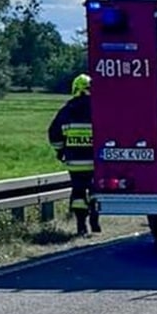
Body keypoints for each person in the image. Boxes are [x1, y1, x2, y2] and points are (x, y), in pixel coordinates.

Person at [49, 74, 100, 236]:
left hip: (75, 162)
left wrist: (60, 150)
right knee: (95, 190)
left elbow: (54, 134)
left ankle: (81, 225)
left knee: (78, 192)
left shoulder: (67, 110)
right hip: (96, 161)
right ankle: (95, 219)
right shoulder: (99, 108)